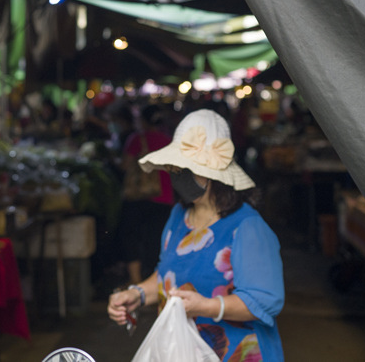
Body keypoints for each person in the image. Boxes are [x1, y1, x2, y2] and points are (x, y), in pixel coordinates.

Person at [108, 109, 285, 362]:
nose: (178, 174)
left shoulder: (247, 227)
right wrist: (137, 294)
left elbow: (264, 300)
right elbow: (167, 273)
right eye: (175, 168)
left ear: (214, 174)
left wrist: (206, 306)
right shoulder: (178, 216)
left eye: (187, 167)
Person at [117, 103, 174, 283]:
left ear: (142, 120)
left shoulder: (137, 139)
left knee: (131, 236)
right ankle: (156, 282)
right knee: (156, 241)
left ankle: (136, 281)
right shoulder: (169, 140)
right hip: (164, 197)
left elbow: (125, 165)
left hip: (139, 197)